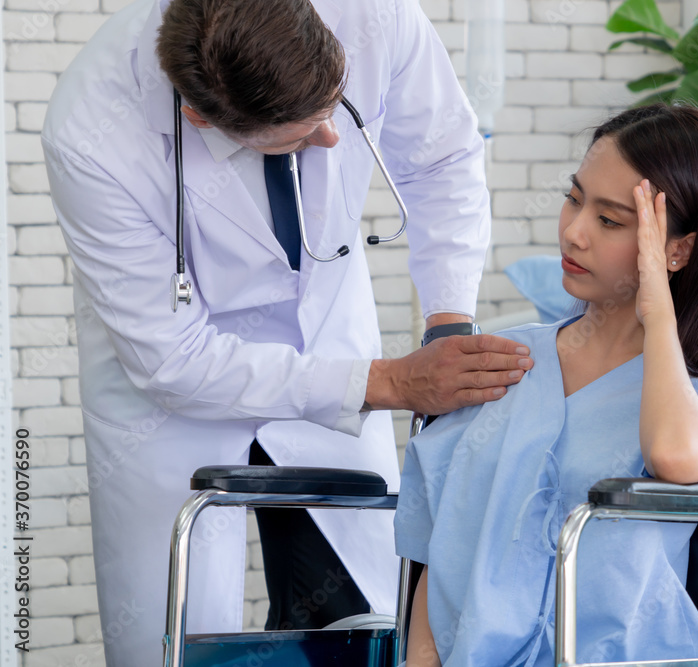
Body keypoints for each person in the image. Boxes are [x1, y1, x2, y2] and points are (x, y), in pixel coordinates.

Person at [41, 0, 534, 664]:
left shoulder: (373, 13)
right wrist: (384, 380)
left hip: (324, 333)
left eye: (335, 113)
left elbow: (442, 159)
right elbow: (173, 359)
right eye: (302, 137)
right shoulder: (92, 133)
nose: (331, 142)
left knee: (351, 614)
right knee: (176, 637)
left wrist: (448, 319)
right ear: (200, 117)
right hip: (168, 392)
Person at [394, 103, 698, 666]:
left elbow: (676, 456)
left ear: (677, 250)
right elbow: (440, 547)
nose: (573, 233)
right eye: (574, 199)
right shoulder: (501, 364)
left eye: (609, 220)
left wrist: (658, 314)